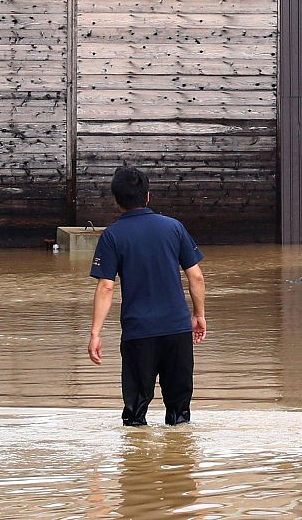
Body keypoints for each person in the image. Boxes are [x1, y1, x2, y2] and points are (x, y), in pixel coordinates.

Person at [87, 166, 207, 426]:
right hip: (176, 330)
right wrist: (198, 315)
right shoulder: (174, 228)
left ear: (116, 201)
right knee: (179, 412)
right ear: (148, 196)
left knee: (135, 413)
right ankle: (179, 461)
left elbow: (106, 286)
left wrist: (95, 333)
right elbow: (196, 276)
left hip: (138, 333)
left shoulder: (112, 236)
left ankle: (136, 464)